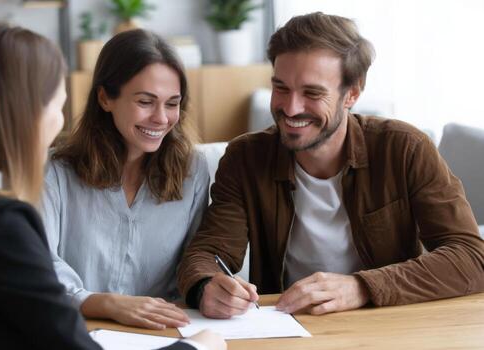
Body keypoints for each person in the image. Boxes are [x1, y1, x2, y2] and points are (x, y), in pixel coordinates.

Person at [177, 12, 484, 319]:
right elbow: (208, 252)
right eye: (281, 88)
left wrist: (361, 287)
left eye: (312, 93)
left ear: (352, 93)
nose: (291, 107)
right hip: (290, 327)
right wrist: (206, 287)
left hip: (387, 324)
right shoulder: (245, 157)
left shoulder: (405, 149)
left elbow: (472, 257)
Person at [0, 23, 225, 350]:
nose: (161, 118)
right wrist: (200, 347)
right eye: (57, 106)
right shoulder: (1, 219)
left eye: (172, 103)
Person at [40, 29, 210, 330]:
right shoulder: (55, 171)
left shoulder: (192, 170)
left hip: (166, 333)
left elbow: (195, 262)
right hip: (78, 330)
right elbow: (40, 267)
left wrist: (213, 285)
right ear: (105, 98)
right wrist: (105, 303)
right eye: (146, 102)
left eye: (172, 103)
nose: (161, 118)